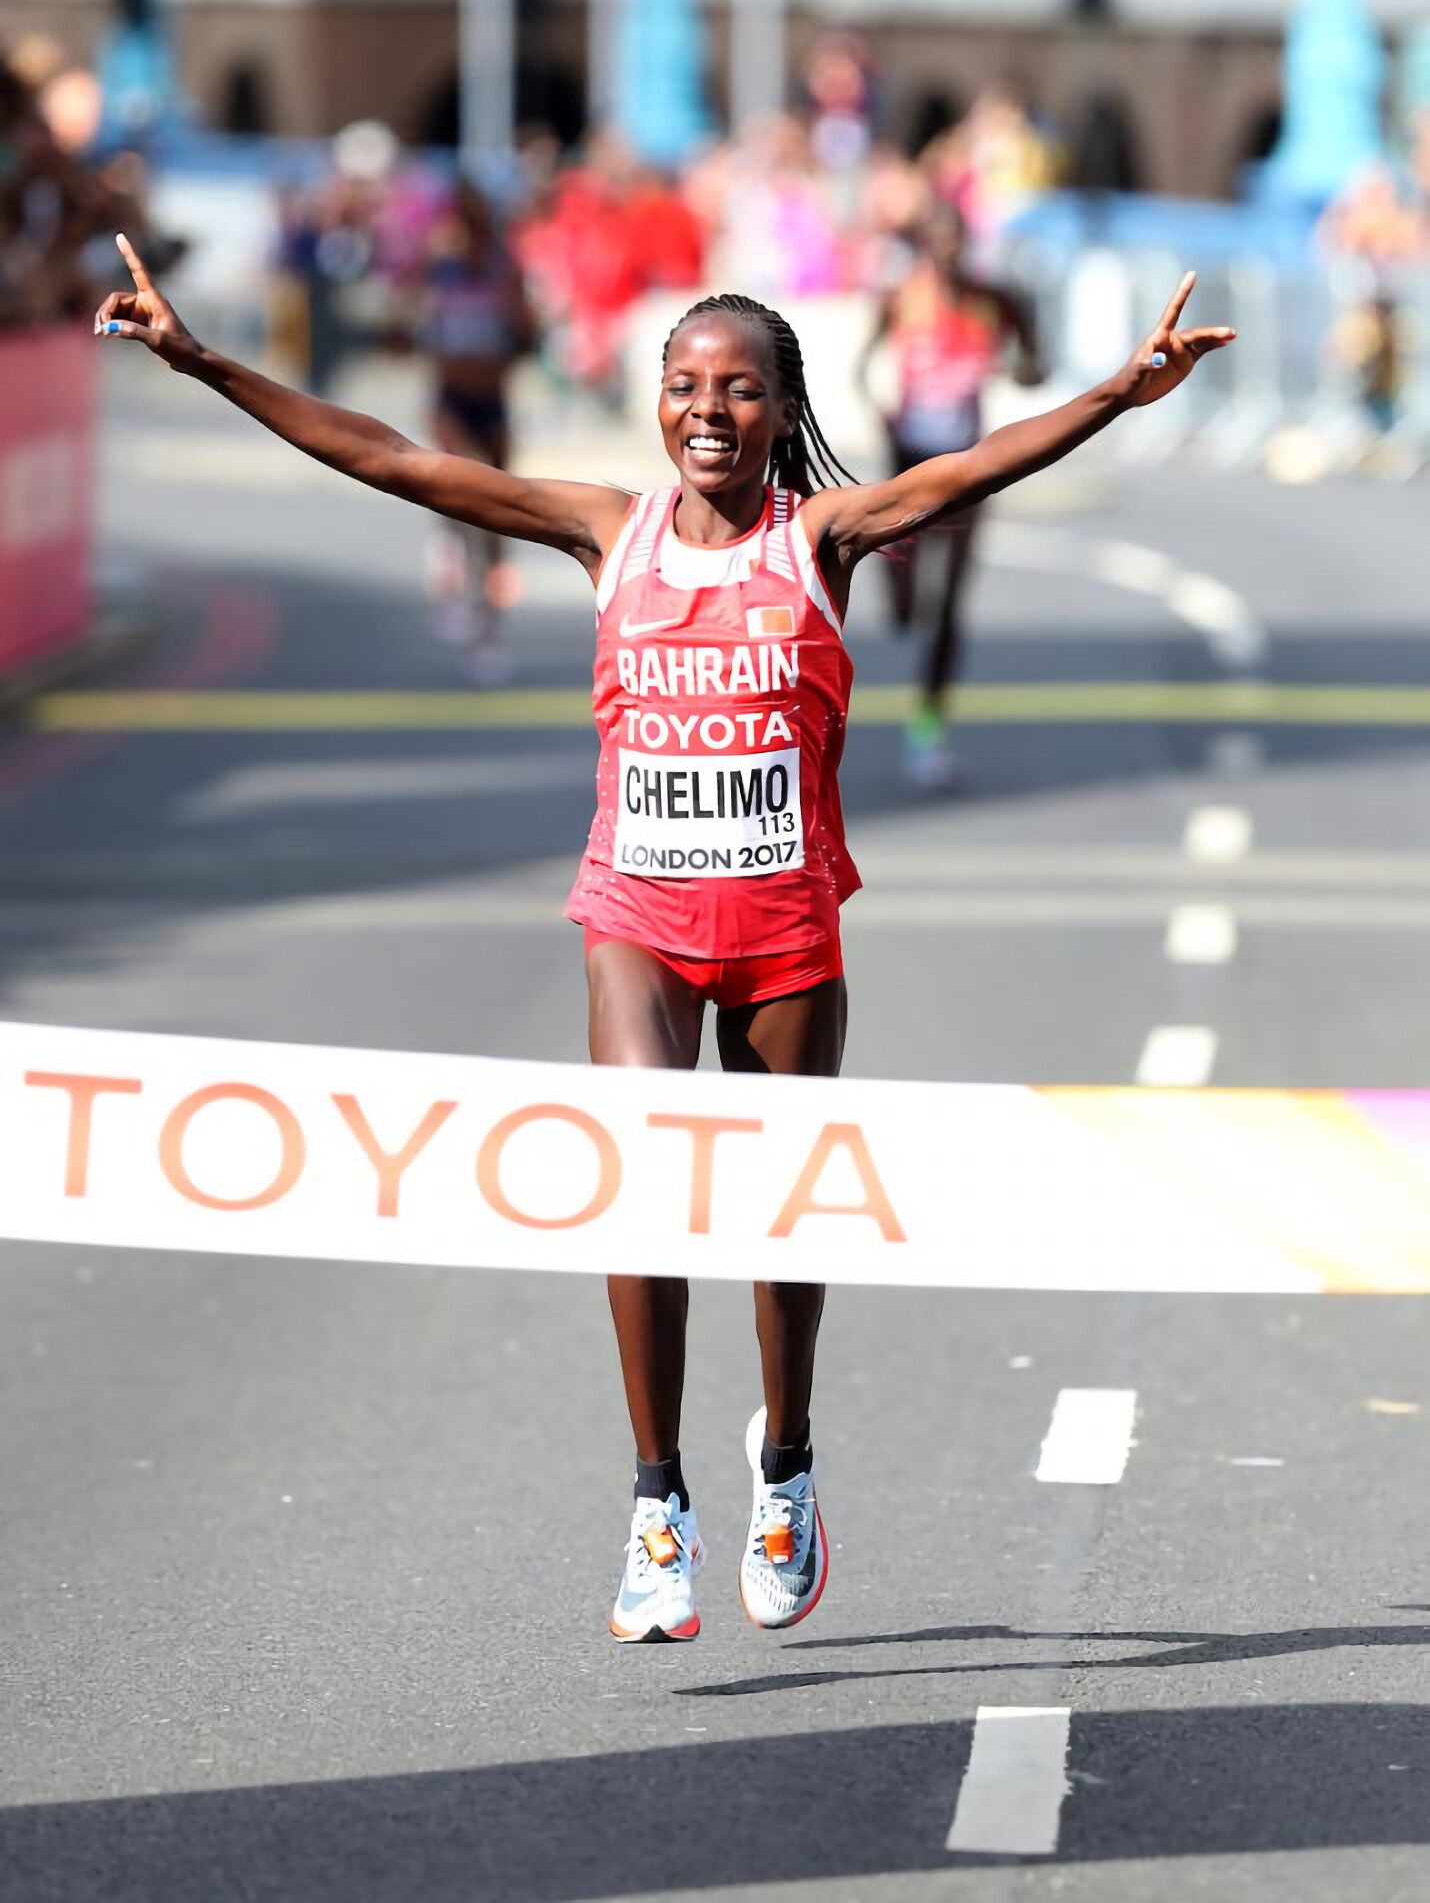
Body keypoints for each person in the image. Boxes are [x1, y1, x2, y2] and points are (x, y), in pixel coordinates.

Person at [98, 234, 1231, 1644]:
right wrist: (202, 358)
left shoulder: (818, 541)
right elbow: (395, 461)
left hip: (783, 936)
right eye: (686, 384)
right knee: (640, 1182)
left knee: (774, 1214)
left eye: (742, 389)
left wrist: (1121, 390)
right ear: (656, 401)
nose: (710, 409)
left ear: (780, 408)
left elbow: (971, 468)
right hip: (633, 916)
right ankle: (655, 1503)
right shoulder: (604, 531)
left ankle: (790, 1462)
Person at [861, 200, 1043, 787]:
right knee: (906, 608)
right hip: (908, 464)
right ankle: (896, 587)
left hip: (967, 471)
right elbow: (861, 369)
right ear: (923, 245)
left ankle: (927, 733)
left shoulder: (995, 302)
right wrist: (883, 416)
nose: (946, 249)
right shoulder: (901, 298)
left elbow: (1036, 364)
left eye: (955, 238)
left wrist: (1020, 371)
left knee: (948, 612)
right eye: (935, 238)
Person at [417, 179, 536, 681]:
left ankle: (486, 618)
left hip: (492, 397)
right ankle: (454, 572)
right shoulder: (440, 265)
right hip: (453, 396)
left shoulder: (504, 268)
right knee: (460, 488)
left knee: (498, 508)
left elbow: (527, 332)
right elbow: (420, 328)